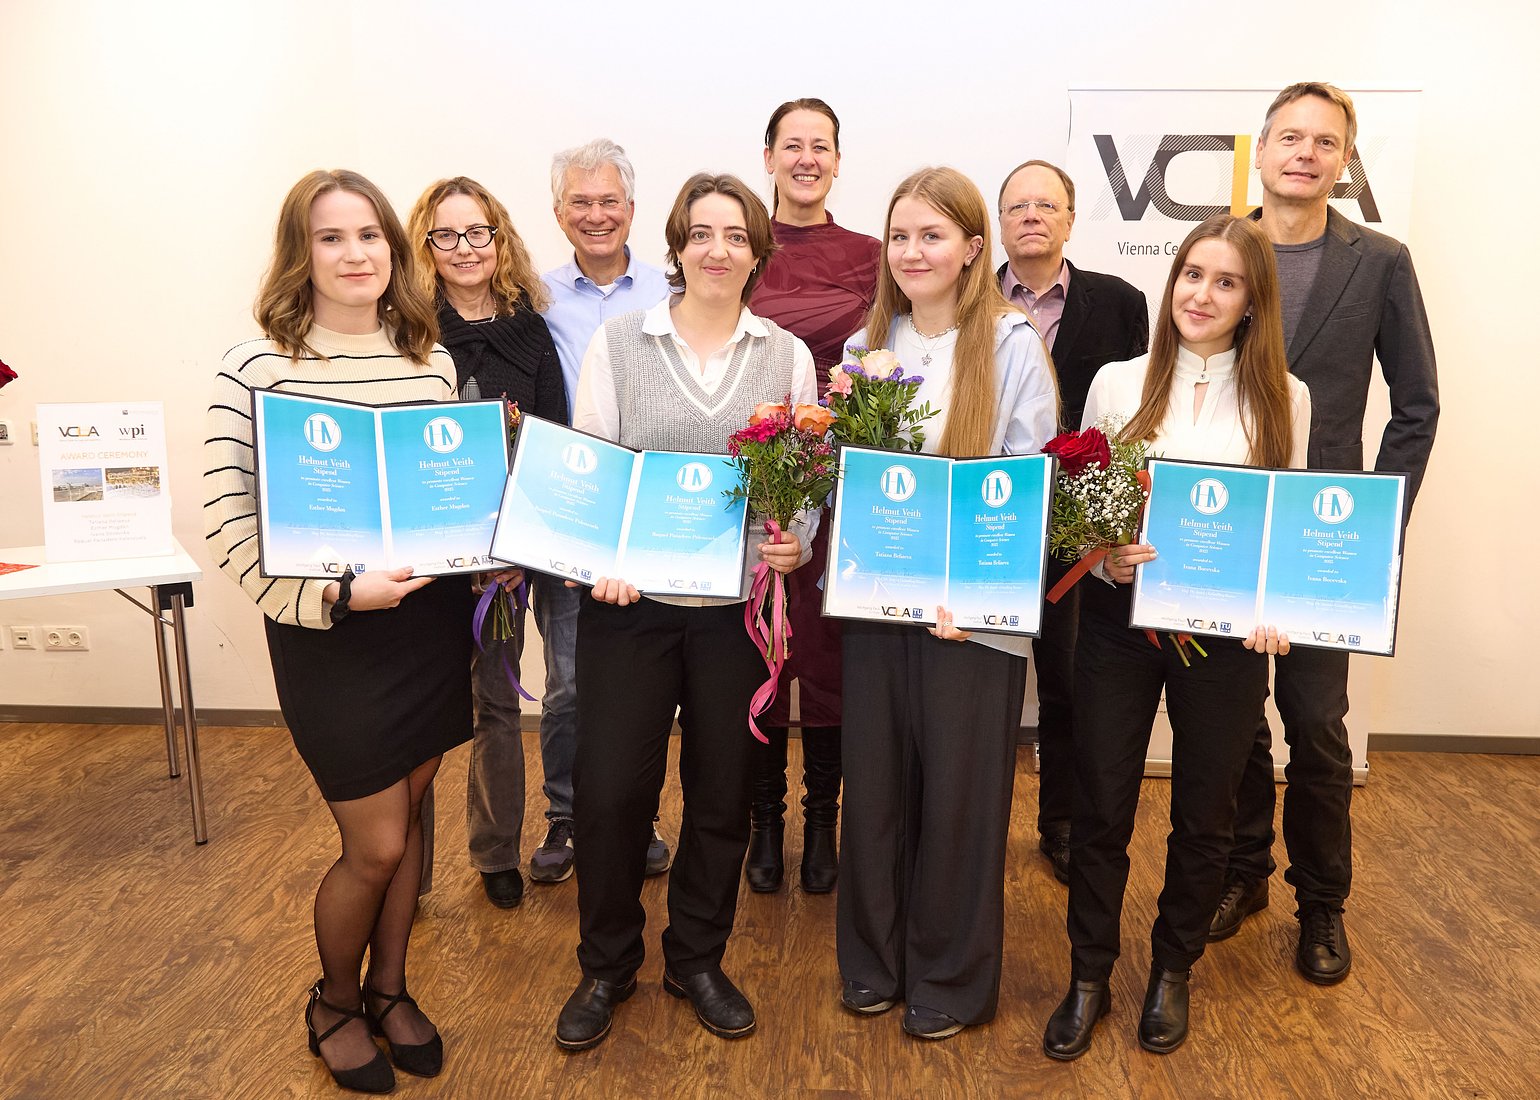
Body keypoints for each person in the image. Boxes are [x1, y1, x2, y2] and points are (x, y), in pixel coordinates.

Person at [204, 170, 471, 1092]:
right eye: (331, 238)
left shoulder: (427, 360)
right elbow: (228, 525)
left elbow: (446, 501)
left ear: (394, 251)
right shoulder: (257, 366)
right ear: (300, 254)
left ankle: (392, 991)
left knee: (411, 819)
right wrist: (335, 597)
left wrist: (489, 538)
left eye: (371, 236)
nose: (356, 254)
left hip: (428, 630)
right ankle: (333, 1002)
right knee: (378, 844)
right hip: (333, 636)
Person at [554, 173, 818, 1051]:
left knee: (721, 791)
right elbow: (590, 472)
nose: (717, 249)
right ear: (678, 246)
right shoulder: (622, 343)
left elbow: (805, 481)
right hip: (632, 609)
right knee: (611, 793)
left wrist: (796, 543)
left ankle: (696, 957)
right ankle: (606, 963)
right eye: (700, 233)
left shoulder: (785, 356)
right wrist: (604, 564)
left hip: (737, 613)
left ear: (757, 252)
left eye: (735, 236)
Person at [1042, 214, 1311, 1061]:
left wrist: (1274, 607)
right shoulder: (1120, 383)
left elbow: (1282, 527)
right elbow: (1083, 513)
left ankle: (1172, 969)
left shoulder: (1286, 397)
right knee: (1101, 803)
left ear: (1252, 301)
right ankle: (1088, 973)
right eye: (1192, 274)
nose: (1201, 294)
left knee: (1206, 810)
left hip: (1225, 643)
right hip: (1120, 629)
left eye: (1226, 281)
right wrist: (1105, 554)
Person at [1208, 83, 1438, 986]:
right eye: (1290, 137)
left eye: (1325, 142)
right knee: (1230, 721)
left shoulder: (1379, 261)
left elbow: (1416, 408)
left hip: (1325, 533)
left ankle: (1323, 906)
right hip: (1223, 525)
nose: (1305, 153)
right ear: (1260, 151)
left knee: (1318, 725)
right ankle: (1243, 874)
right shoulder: (1221, 252)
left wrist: (1380, 524)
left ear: (1344, 162)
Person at [837, 166, 1058, 1041]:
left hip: (973, 623)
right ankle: (871, 962)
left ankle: (954, 979)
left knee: (962, 805)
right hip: (879, 610)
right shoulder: (869, 345)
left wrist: (978, 599)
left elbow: (1028, 493)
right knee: (879, 792)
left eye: (932, 235)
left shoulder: (1010, 346)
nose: (912, 251)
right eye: (900, 236)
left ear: (974, 248)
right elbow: (849, 480)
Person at [404, 176, 567, 911]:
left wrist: (510, 554)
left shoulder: (532, 332)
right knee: (422, 716)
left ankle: (496, 849)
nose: (463, 248)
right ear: (426, 246)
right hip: (426, 564)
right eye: (446, 235)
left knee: (498, 704)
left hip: (508, 560)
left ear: (499, 240)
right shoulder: (407, 331)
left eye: (478, 233)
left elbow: (554, 440)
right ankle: (408, 870)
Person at [995, 159, 1149, 886]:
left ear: (1070, 217)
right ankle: (972, 815)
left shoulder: (1120, 303)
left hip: (1079, 531)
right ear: (997, 224)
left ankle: (1060, 820)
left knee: (1066, 679)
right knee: (986, 671)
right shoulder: (968, 300)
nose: (1031, 215)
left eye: (1045, 204)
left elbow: (1139, 413)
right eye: (1017, 205)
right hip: (988, 516)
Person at [744, 97, 880, 895]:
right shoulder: (735, 245)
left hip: (842, 476)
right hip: (757, 478)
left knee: (829, 657)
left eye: (819, 146)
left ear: (837, 159)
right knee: (764, 644)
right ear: (768, 157)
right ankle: (764, 821)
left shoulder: (870, 253)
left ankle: (821, 820)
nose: (805, 158)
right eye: (790, 145)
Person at [533, 138, 674, 886]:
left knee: (636, 682)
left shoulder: (669, 290)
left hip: (654, 515)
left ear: (631, 208)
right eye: (580, 202)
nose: (596, 215)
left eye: (609, 201)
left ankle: (636, 815)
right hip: (573, 510)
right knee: (566, 680)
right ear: (560, 212)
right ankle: (565, 813)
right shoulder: (534, 296)